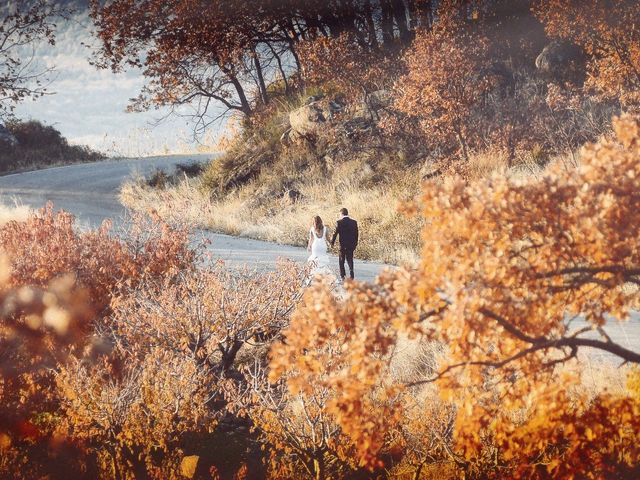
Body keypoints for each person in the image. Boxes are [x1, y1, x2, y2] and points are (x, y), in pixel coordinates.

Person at [331, 207, 358, 280]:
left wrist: (332, 243)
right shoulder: (354, 222)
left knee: (341, 260)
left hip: (342, 244)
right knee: (350, 259)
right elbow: (356, 234)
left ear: (341, 214)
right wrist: (355, 244)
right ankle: (351, 273)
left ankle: (343, 276)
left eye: (339, 214)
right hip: (351, 244)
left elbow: (334, 234)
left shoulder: (339, 222)